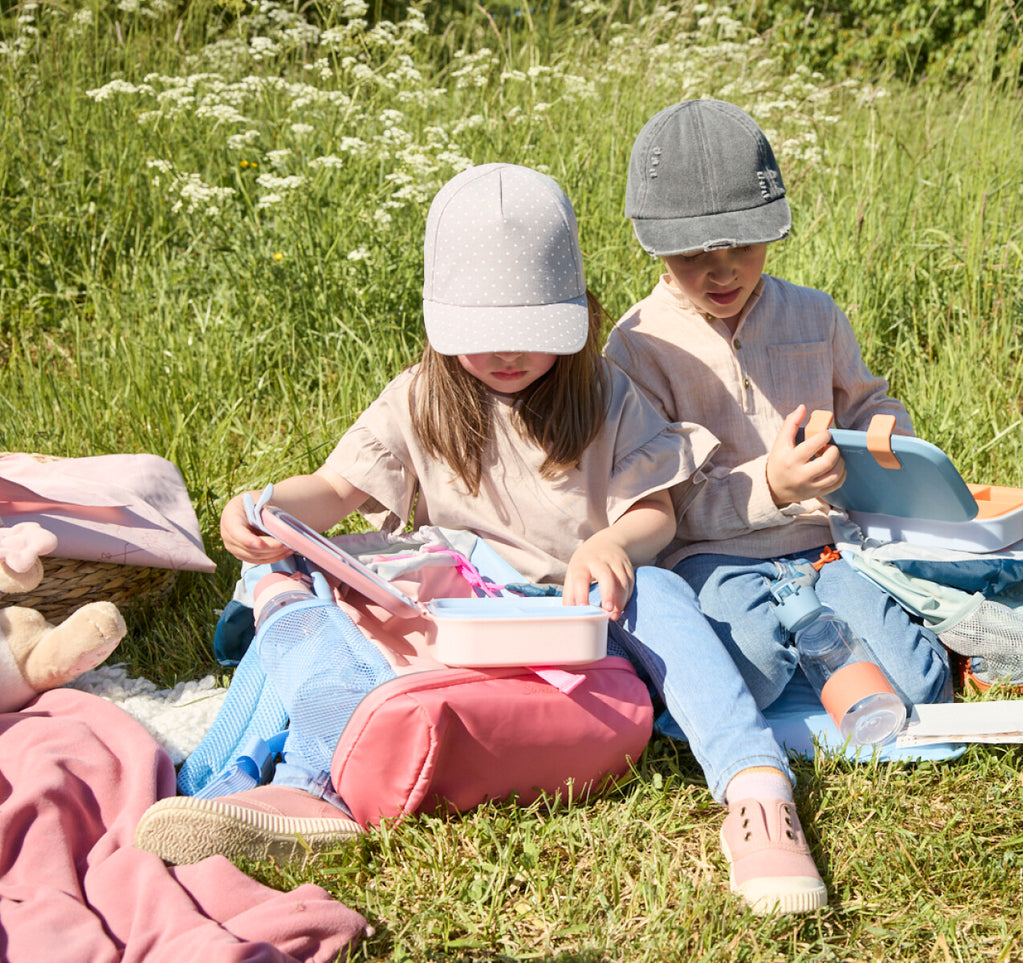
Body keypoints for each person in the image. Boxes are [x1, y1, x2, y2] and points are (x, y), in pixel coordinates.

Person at [133, 163, 827, 914]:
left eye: (530, 334)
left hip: (579, 605)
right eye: (481, 335)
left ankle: (756, 792)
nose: (506, 356)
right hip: (455, 618)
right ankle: (301, 785)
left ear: (577, 317)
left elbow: (656, 507)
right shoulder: (420, 398)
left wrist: (615, 545)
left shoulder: (602, 392)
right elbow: (336, 491)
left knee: (660, 591)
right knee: (310, 588)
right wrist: (263, 503)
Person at [605, 99, 952, 718]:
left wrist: (882, 438)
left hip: (827, 544)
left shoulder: (814, 314)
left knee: (923, 686)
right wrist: (771, 484)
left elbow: (868, 399)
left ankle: (840, 631)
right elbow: (665, 502)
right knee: (751, 678)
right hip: (712, 557)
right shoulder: (637, 346)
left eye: (743, 243)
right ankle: (811, 645)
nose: (722, 270)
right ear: (654, 246)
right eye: (692, 255)